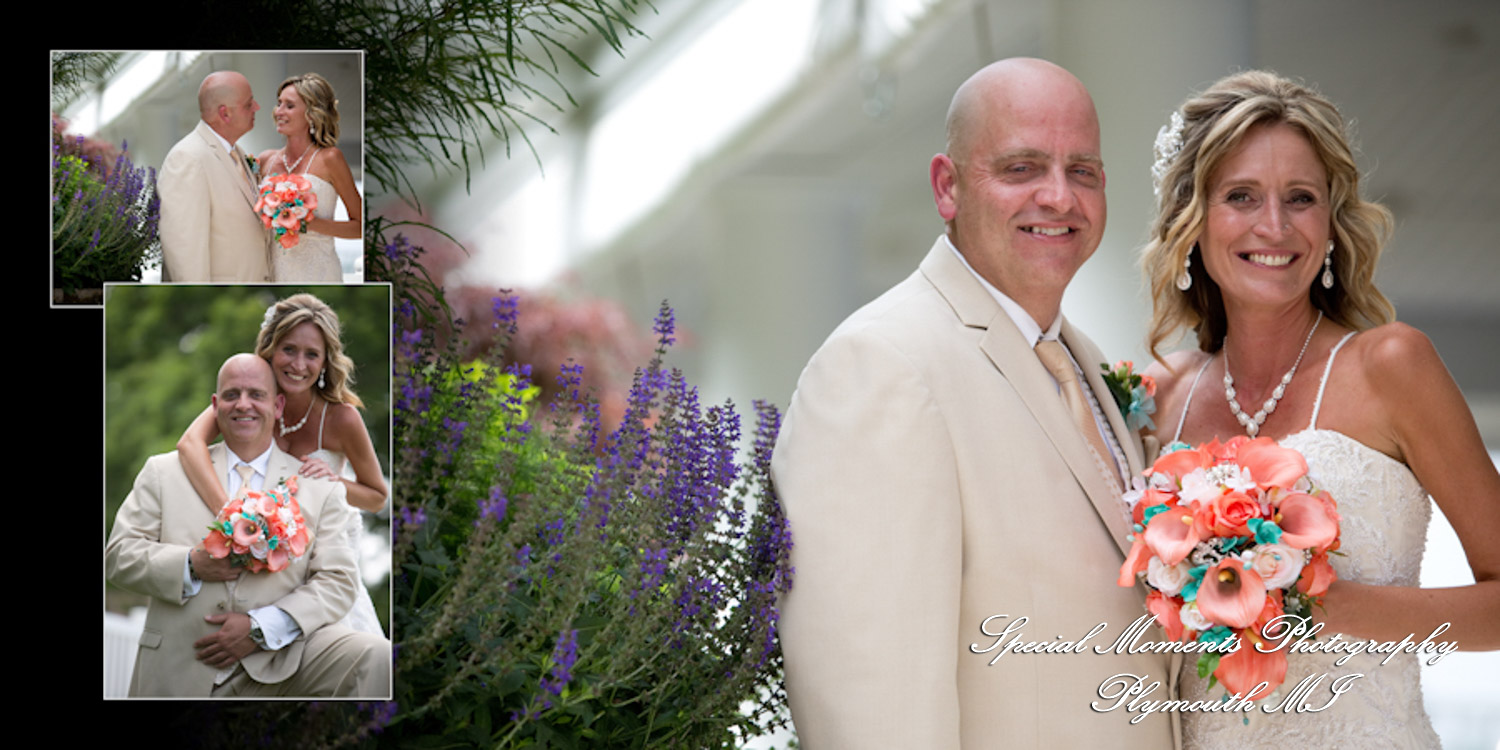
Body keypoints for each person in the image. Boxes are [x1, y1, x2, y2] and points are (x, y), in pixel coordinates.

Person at [772, 58, 1177, 748]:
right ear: (947, 186)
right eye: (1021, 168)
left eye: (1082, 171)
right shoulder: (882, 366)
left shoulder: (1094, 370)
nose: (1058, 196)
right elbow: (871, 698)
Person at [1141, 70, 1500, 747]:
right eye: (1241, 196)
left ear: (1331, 224)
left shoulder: (1391, 366)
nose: (1273, 226)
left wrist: (1323, 604)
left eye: (1300, 198)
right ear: (1193, 220)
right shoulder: (1159, 398)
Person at [106, 354, 390, 697]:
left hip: (280, 666)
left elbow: (338, 581)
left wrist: (261, 628)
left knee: (378, 656)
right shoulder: (162, 472)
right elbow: (118, 557)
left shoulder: (319, 488)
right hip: (181, 665)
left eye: (256, 394)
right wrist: (191, 565)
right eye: (231, 395)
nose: (243, 405)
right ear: (215, 405)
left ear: (279, 404)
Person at [177, 293, 389, 637]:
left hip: (323, 568)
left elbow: (377, 496)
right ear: (271, 348)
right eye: (289, 349)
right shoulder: (248, 402)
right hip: (261, 565)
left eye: (312, 355)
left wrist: (336, 480)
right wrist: (229, 515)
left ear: (324, 362)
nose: (299, 364)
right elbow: (189, 444)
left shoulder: (341, 418)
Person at [157, 71, 271, 283]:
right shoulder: (188, 158)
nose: (257, 107)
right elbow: (185, 250)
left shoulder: (241, 155)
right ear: (225, 114)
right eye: (248, 104)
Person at [256, 73, 360, 282]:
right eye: (279, 104)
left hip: (318, 272)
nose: (279, 111)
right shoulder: (265, 160)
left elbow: (360, 226)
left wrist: (308, 223)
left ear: (312, 114)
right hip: (272, 271)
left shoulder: (330, 158)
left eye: (289, 105)